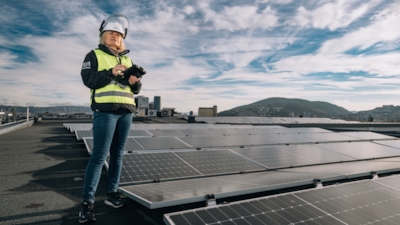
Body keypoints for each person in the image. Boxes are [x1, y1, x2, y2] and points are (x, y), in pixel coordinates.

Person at [78, 14, 143, 223]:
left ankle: (111, 194)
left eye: (118, 34)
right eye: (111, 33)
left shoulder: (127, 59)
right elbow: (88, 80)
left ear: (122, 38)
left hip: (126, 112)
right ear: (103, 36)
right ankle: (87, 204)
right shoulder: (94, 55)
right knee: (99, 157)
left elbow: (135, 89)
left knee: (117, 155)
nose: (115, 36)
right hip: (105, 112)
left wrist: (135, 82)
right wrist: (111, 72)